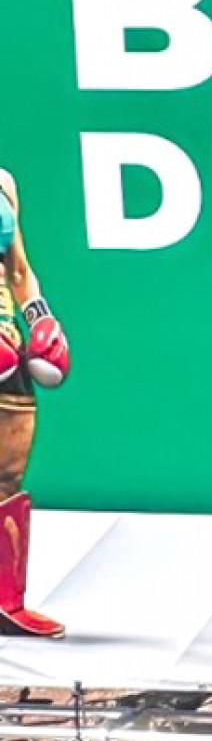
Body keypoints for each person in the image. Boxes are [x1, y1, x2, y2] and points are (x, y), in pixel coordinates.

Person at [0, 165, 71, 640]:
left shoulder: (2, 183)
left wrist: (42, 320)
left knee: (7, 473)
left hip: (5, 348)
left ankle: (7, 604)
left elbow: (19, 269)